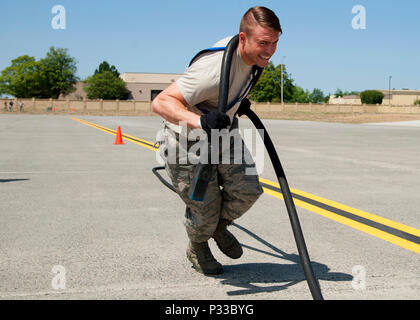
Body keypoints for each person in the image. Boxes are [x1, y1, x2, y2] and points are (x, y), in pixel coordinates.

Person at [152, 6, 281, 275]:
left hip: (221, 132)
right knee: (204, 210)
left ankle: (219, 228)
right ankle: (198, 245)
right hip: (187, 140)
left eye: (275, 43)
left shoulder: (254, 59)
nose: (270, 51)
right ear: (243, 39)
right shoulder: (212, 70)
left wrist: (237, 102)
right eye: (264, 43)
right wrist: (200, 121)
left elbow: (231, 87)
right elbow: (161, 102)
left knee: (248, 190)